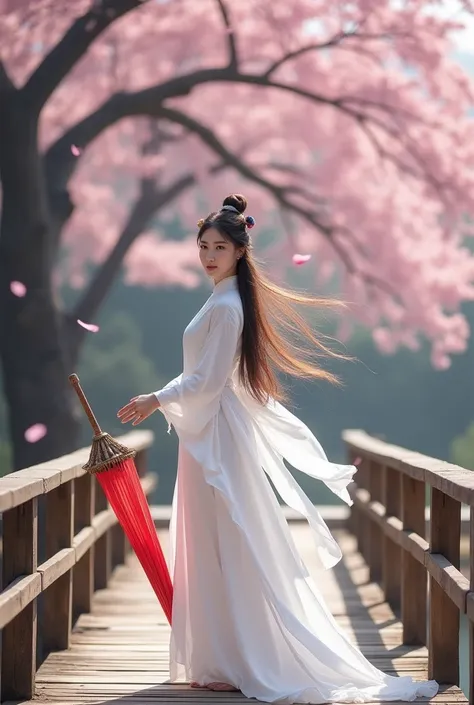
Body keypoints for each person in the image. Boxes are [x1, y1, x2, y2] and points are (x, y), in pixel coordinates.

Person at [117, 194, 438, 704]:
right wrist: (161, 397)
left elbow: (208, 380)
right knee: (216, 540)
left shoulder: (225, 307)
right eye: (203, 246)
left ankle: (244, 655)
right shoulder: (222, 298)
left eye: (219, 247)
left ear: (240, 251)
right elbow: (203, 377)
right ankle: (225, 656)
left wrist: (157, 399)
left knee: (230, 540)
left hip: (218, 439)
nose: (209, 255)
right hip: (212, 434)